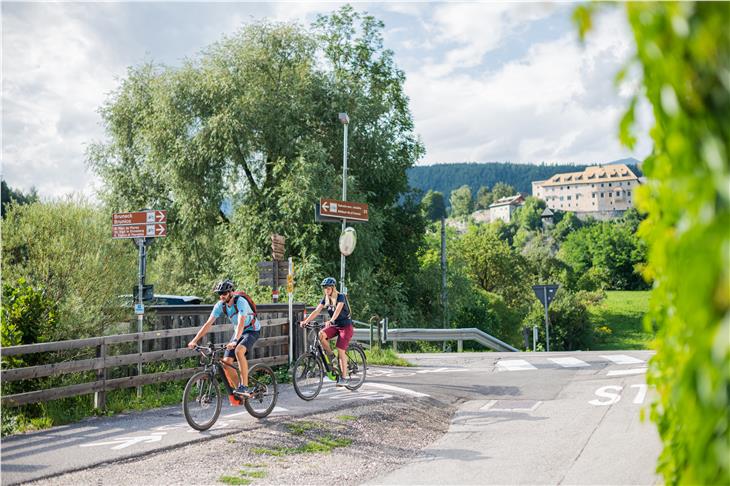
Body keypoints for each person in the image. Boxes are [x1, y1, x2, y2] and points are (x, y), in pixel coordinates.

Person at [187, 279, 260, 397]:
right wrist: (195, 340)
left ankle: (244, 386)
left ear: (231, 292)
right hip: (238, 332)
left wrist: (235, 340)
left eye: (224, 293)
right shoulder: (220, 305)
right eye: (219, 294)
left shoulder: (240, 302)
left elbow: (241, 322)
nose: (222, 296)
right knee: (226, 363)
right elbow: (208, 324)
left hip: (251, 330)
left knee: (239, 350)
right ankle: (240, 392)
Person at [299, 277, 353, 386]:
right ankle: (331, 356)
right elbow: (316, 311)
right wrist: (306, 321)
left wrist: (331, 320)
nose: (326, 290)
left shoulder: (341, 296)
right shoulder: (326, 298)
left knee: (341, 350)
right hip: (335, 326)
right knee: (321, 335)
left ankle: (344, 377)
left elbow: (338, 309)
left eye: (328, 288)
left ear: (333, 288)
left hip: (345, 326)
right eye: (325, 288)